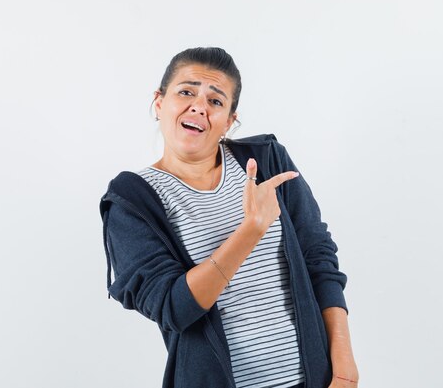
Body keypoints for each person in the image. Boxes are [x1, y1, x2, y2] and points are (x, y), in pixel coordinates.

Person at [99, 47, 359, 388]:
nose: (199, 106)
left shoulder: (267, 161)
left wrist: (343, 368)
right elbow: (173, 308)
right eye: (186, 92)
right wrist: (251, 229)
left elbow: (319, 259)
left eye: (216, 101)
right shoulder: (133, 199)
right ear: (159, 103)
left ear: (229, 121)